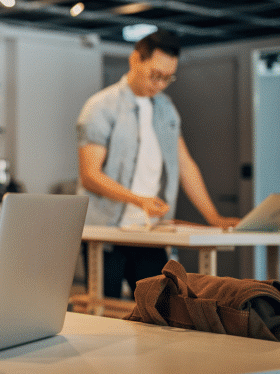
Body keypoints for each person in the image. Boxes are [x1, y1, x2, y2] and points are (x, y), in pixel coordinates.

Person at [76, 29, 240, 299]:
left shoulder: (166, 109)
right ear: (135, 60)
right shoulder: (100, 107)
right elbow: (90, 175)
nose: (160, 84)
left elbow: (186, 166)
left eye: (168, 78)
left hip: (150, 231)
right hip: (106, 233)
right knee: (106, 316)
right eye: (155, 74)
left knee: (159, 311)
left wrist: (214, 218)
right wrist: (139, 200)